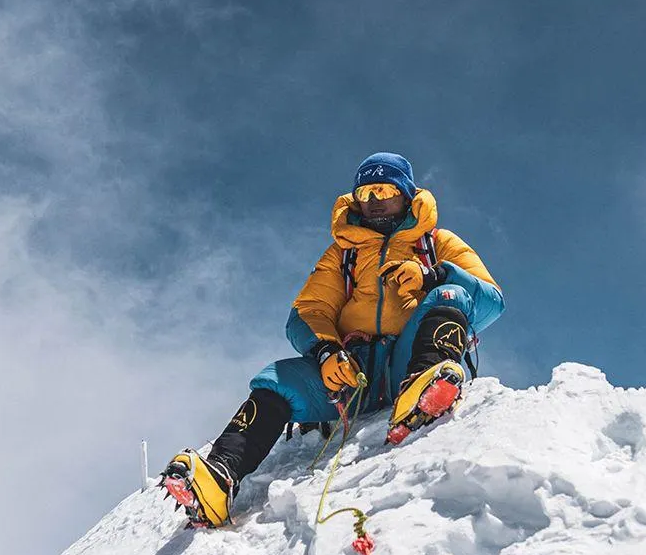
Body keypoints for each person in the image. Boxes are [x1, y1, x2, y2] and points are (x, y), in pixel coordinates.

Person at [162, 152, 505, 527]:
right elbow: (308, 312)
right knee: (276, 380)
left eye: (384, 189)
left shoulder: (438, 243)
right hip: (349, 375)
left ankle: (424, 389)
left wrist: (434, 276)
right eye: (365, 194)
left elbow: (489, 303)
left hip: (409, 360)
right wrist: (326, 350)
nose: (374, 201)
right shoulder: (344, 254)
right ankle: (218, 476)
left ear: (407, 194)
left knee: (451, 296)